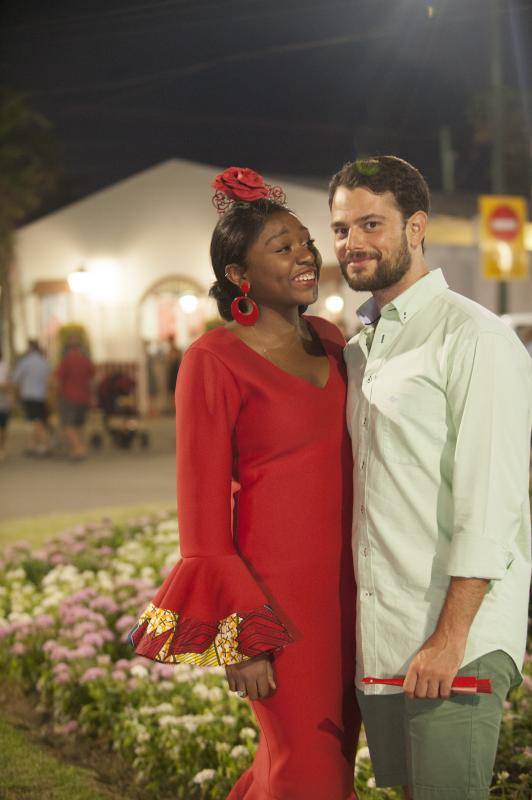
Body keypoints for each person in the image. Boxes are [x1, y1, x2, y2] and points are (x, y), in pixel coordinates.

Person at [131, 167, 360, 800]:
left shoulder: (332, 341)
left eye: (306, 242)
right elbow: (202, 519)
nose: (306, 256)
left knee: (328, 761)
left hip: (354, 593)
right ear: (239, 275)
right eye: (282, 248)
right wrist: (242, 636)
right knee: (307, 768)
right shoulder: (212, 360)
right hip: (277, 606)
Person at [329, 155, 532, 799]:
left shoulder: (473, 336)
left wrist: (450, 639)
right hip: (386, 642)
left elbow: (491, 503)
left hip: (455, 646)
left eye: (370, 224)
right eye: (340, 229)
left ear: (416, 228)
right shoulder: (362, 350)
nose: (352, 243)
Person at [55, 335, 95, 460]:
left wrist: (55, 395)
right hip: (84, 397)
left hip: (69, 396)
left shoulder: (66, 361)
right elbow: (92, 379)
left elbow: (58, 379)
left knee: (68, 425)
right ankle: (76, 448)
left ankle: (79, 448)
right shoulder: (85, 360)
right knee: (78, 424)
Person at [12, 339, 51, 456]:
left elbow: (16, 378)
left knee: (34, 422)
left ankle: (46, 444)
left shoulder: (26, 362)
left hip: (29, 394)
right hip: (41, 395)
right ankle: (33, 445)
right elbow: (49, 378)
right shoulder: (44, 362)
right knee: (38, 420)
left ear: (30, 348)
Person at [0, 345, 13, 461]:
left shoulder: (5, 367)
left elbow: (8, 384)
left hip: (3, 403)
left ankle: (2, 449)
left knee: (3, 427)